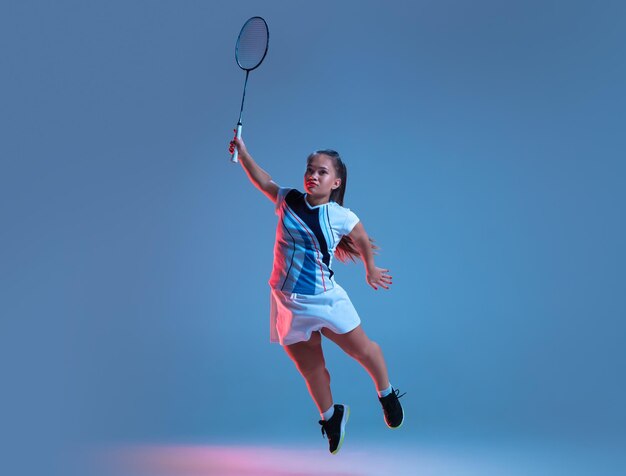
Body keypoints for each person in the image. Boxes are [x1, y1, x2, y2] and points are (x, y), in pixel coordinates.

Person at [229, 135, 405, 455]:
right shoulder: (288, 200)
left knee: (363, 351)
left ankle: (387, 393)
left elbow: (362, 239)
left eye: (322, 172)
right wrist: (243, 155)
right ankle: (331, 416)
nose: (313, 175)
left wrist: (370, 268)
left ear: (335, 181)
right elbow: (264, 180)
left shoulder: (341, 215)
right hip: (286, 302)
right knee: (311, 368)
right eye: (310, 169)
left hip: (325, 300)